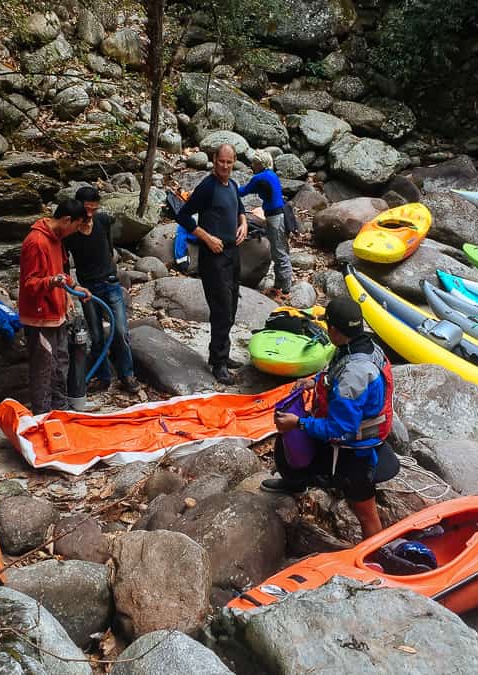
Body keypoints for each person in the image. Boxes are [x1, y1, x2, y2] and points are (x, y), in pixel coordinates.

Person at [263, 297, 399, 540]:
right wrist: (313, 381)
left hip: (357, 450)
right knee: (288, 448)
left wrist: (299, 423)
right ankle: (297, 483)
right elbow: (335, 371)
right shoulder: (363, 345)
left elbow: (340, 429)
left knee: (364, 511)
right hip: (347, 430)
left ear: (335, 330)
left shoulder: (354, 377)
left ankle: (374, 556)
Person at [174, 144, 247, 385]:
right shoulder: (208, 186)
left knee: (232, 306)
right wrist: (206, 237)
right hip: (213, 256)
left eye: (229, 162)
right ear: (214, 160)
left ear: (234, 162)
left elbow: (240, 208)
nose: (225, 166)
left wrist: (244, 224)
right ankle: (218, 363)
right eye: (221, 161)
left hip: (232, 253)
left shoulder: (233, 185)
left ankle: (222, 353)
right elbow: (183, 215)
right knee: (221, 308)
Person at [63, 186, 139, 394]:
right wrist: (70, 290)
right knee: (96, 334)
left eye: (93, 209)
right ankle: (103, 376)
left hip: (110, 283)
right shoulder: (69, 233)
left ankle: (127, 374)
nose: (89, 214)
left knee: (121, 331)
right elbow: (63, 264)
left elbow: (109, 247)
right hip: (87, 288)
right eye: (86, 209)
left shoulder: (103, 221)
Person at [20, 199, 92, 414]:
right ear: (66, 220)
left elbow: (62, 272)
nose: (75, 231)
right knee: (44, 370)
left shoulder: (57, 240)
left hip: (57, 314)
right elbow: (29, 283)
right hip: (39, 317)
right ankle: (42, 417)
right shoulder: (36, 242)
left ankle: (60, 412)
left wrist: (75, 287)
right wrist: (51, 282)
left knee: (61, 364)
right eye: (76, 226)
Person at [241, 150, 292, 299]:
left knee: (280, 253)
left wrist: (228, 188)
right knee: (280, 251)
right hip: (281, 214)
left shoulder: (260, 177)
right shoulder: (271, 175)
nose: (252, 165)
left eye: (254, 162)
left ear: (260, 164)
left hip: (276, 218)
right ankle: (278, 286)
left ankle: (286, 291)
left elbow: (244, 191)